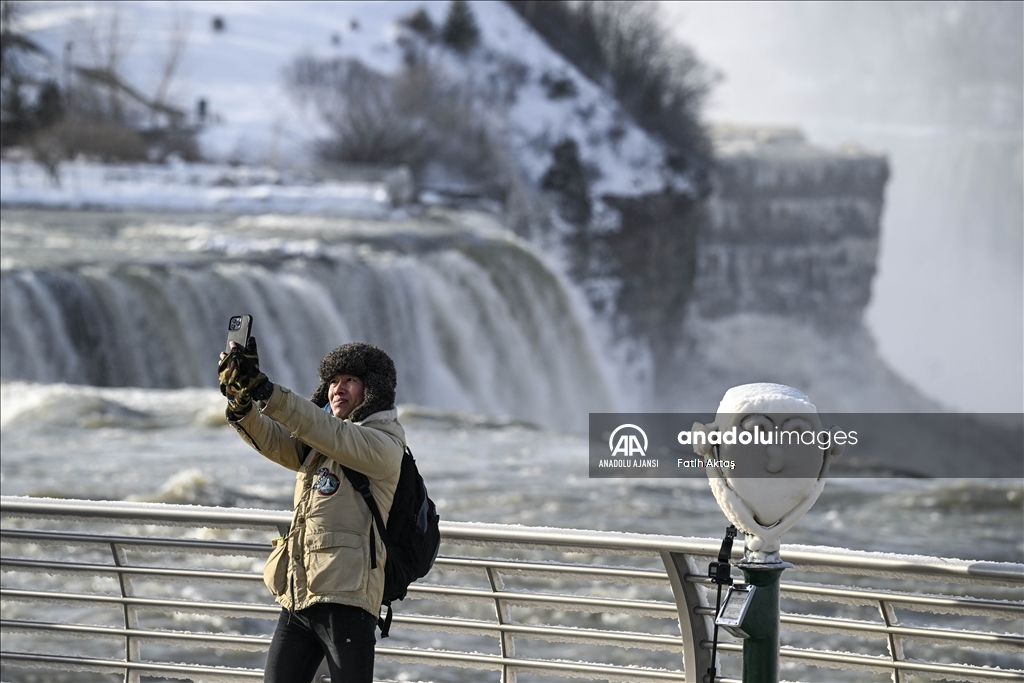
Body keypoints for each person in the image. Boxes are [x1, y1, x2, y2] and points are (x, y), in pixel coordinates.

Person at [218, 338, 404, 683]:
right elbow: (277, 440)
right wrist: (241, 402)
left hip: (347, 599)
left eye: (350, 380)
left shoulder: (383, 443)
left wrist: (266, 391)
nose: (338, 389)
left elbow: (322, 428)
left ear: (373, 388)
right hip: (300, 593)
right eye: (333, 381)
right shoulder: (324, 443)